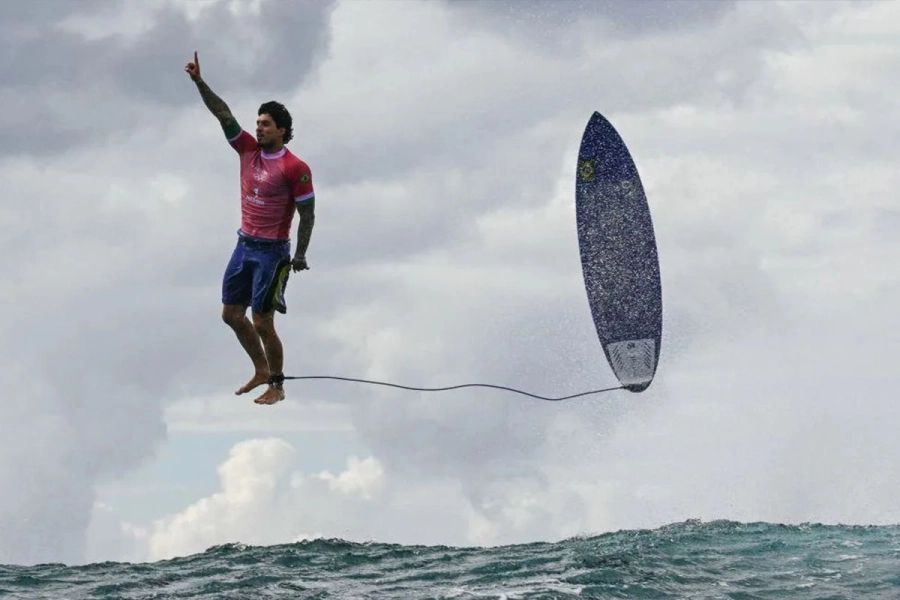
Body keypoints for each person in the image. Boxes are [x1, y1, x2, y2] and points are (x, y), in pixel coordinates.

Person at [184, 51, 316, 406]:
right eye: (257, 123)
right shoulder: (246, 150)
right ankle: (260, 368)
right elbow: (223, 113)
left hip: (273, 253)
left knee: (262, 321)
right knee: (231, 315)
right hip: (244, 245)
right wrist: (199, 82)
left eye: (266, 124)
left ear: (283, 130)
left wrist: (300, 254)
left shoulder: (295, 167)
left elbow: (308, 214)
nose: (258, 128)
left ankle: (277, 384)